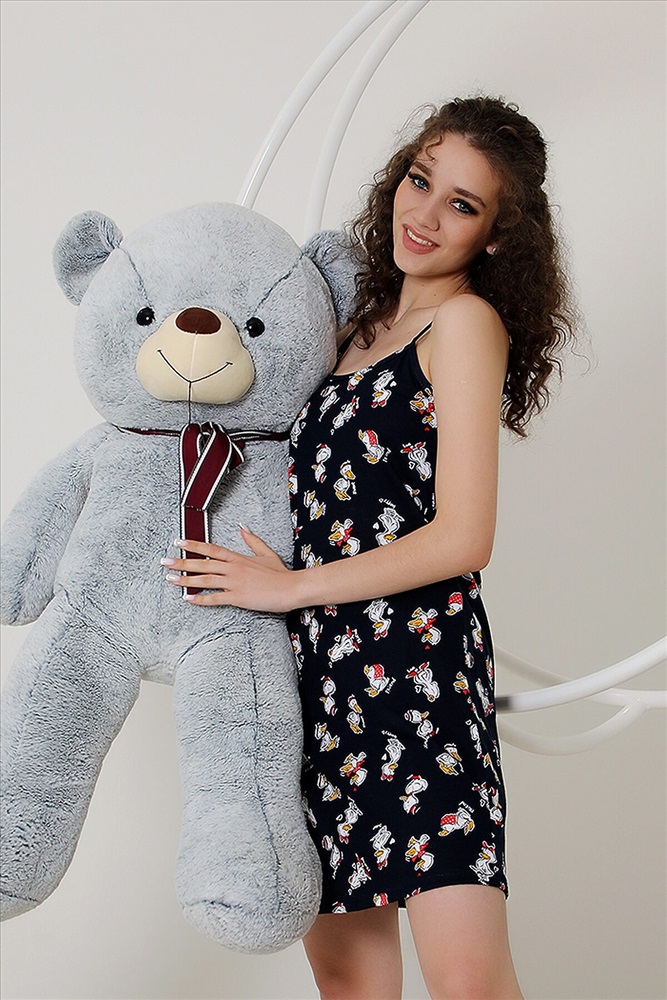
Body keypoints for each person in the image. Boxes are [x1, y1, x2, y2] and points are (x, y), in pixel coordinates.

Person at [162, 96, 575, 999]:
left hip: (417, 674)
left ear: (498, 235)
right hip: (318, 681)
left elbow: (464, 536)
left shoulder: (463, 324)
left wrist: (288, 587)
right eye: (419, 181)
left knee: (467, 982)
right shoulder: (349, 329)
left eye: (461, 204)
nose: (424, 215)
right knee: (351, 984)